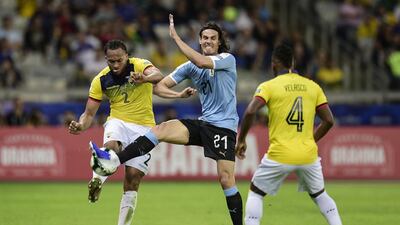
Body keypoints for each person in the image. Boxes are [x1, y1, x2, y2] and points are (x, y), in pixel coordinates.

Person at [90, 15, 243, 225]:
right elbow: (160, 86)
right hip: (204, 123)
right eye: (204, 37)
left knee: (226, 180)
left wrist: (175, 38)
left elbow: (200, 61)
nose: (208, 41)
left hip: (223, 128)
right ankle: (115, 160)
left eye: (212, 38)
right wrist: (165, 89)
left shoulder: (226, 59)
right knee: (160, 130)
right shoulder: (190, 67)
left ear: (219, 42)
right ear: (199, 41)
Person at [68, 39, 193, 225]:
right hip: (118, 121)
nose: (116, 65)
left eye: (119, 60)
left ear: (127, 56)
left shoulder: (139, 65)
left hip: (144, 128)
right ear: (106, 59)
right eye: (111, 61)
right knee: (111, 146)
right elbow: (88, 114)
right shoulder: (100, 80)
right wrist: (80, 125)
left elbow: (157, 75)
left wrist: (144, 78)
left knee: (133, 179)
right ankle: (97, 180)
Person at [235, 43, 342, 225]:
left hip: (280, 154)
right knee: (320, 195)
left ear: (274, 63)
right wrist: (310, 140)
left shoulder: (269, 86)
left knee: (256, 192)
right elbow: (329, 121)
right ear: (292, 62)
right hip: (308, 155)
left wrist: (241, 139)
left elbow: (251, 111)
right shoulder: (312, 86)